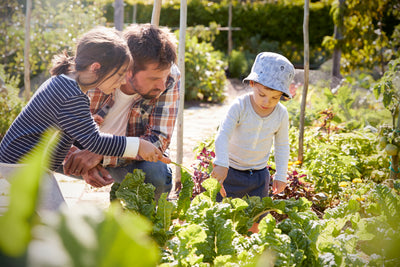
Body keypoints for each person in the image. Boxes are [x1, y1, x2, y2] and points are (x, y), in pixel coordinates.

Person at [0, 26, 164, 212]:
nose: (123, 81)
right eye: (119, 74)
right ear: (96, 68)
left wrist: (83, 123)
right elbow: (95, 142)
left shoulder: (65, 83)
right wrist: (138, 145)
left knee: (39, 221)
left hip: (20, 161)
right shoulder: (72, 95)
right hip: (23, 165)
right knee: (57, 222)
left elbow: (62, 128)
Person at [61, 24, 180, 200]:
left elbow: (158, 141)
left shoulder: (169, 77)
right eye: (154, 78)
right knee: (35, 154)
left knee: (156, 174)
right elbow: (53, 131)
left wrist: (100, 153)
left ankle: (126, 213)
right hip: (80, 154)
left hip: (128, 158)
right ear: (129, 70)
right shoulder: (91, 74)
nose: (162, 85)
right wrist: (84, 164)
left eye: (164, 76)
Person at [211, 52, 295, 202]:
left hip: (259, 176)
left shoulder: (281, 114)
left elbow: (282, 145)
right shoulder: (240, 106)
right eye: (262, 94)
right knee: (223, 216)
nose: (267, 102)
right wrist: (222, 163)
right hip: (230, 172)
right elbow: (223, 134)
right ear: (252, 84)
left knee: (256, 220)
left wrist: (281, 175)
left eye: (275, 97)